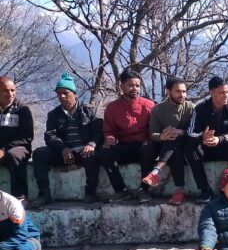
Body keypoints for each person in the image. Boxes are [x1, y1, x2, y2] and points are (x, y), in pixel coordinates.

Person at [31, 73, 102, 207]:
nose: (62, 96)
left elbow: (98, 132)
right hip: (63, 152)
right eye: (59, 93)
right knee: (39, 154)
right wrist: (62, 149)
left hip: (84, 150)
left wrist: (91, 144)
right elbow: (50, 135)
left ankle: (90, 192)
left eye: (65, 93)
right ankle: (44, 193)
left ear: (74, 94)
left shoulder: (89, 110)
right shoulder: (53, 114)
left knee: (92, 156)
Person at [97, 69, 155, 202]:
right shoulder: (112, 108)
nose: (135, 89)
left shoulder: (149, 105)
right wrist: (110, 139)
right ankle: (121, 190)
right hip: (124, 146)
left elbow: (155, 128)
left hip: (144, 146)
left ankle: (144, 190)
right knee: (103, 153)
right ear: (122, 86)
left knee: (148, 148)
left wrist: (150, 139)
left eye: (137, 86)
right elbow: (109, 130)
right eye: (131, 85)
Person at [185, 76, 228, 203]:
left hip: (225, 146)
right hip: (206, 147)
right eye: (221, 92)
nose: (226, 95)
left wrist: (220, 139)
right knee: (190, 148)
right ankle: (205, 190)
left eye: (227, 92)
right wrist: (203, 137)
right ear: (211, 92)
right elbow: (190, 132)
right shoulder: (200, 108)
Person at [142, 77, 194, 205]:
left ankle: (156, 172)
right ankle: (179, 191)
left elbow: (196, 131)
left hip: (186, 144)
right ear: (168, 91)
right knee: (171, 144)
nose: (182, 95)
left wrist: (180, 132)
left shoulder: (192, 108)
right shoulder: (157, 109)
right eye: (178, 91)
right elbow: (152, 133)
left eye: (184, 91)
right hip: (165, 145)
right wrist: (162, 136)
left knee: (175, 142)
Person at [0, 77, 33, 203]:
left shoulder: (22, 109)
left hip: (19, 148)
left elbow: (27, 136)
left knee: (13, 155)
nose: (10, 94)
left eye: (13, 90)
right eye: (5, 91)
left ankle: (20, 197)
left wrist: (4, 150)